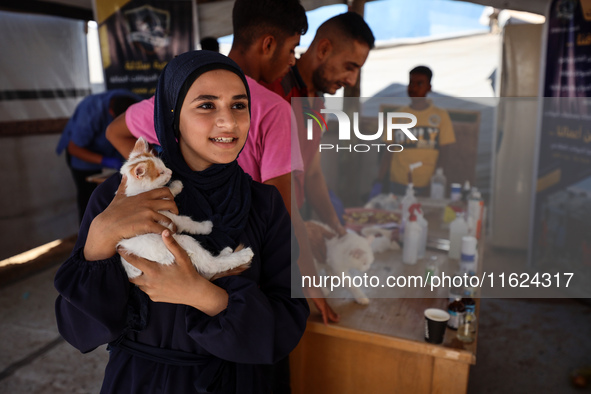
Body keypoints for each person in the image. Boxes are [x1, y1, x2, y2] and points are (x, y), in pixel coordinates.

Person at [54, 50, 309, 394]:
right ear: (172, 115)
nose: (229, 123)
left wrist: (203, 295)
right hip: (141, 383)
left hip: (237, 383)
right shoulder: (120, 198)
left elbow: (288, 322)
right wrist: (100, 236)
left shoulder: (264, 205)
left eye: (239, 105)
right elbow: (78, 329)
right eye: (206, 105)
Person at [106, 0, 308, 216]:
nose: (293, 61)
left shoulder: (183, 96)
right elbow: (282, 215)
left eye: (239, 106)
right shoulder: (274, 110)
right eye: (292, 49)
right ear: (267, 45)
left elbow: (115, 131)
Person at [264, 11, 375, 324]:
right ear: (323, 49)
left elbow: (312, 173)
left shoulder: (317, 105)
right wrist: (304, 231)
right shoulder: (275, 94)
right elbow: (271, 187)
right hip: (271, 233)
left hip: (293, 226)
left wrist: (336, 226)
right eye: (350, 66)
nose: (352, 80)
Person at [56, 90, 140, 223]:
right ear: (111, 113)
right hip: (83, 156)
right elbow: (74, 148)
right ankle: (86, 239)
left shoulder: (137, 103)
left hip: (115, 154)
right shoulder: (90, 111)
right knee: (89, 202)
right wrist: (106, 161)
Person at [378, 65, 456, 196]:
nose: (413, 87)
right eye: (411, 83)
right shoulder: (396, 116)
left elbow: (444, 153)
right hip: (398, 183)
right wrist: (379, 180)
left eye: (419, 83)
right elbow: (388, 152)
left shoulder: (441, 116)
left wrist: (435, 183)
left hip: (426, 184)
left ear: (429, 88)